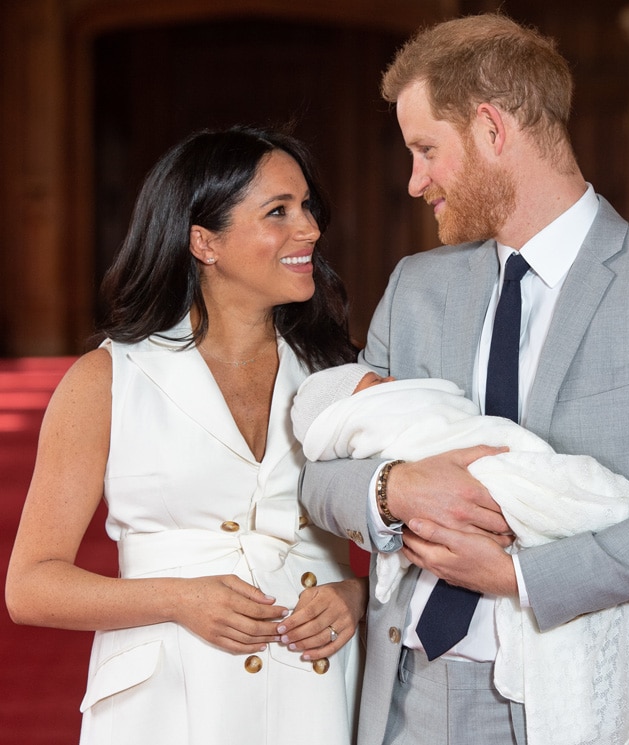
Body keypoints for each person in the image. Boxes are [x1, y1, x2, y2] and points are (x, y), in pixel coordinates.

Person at [298, 12, 629, 745]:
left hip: (603, 693)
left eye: (425, 149)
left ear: (490, 128)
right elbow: (322, 470)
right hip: (416, 688)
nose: (414, 182)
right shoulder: (415, 286)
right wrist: (392, 489)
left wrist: (522, 575)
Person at [5, 125, 366, 745]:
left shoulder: (339, 375)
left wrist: (358, 595)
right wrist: (179, 598)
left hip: (319, 694)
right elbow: (31, 587)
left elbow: (408, 529)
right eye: (278, 211)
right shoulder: (108, 380)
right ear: (205, 242)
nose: (308, 228)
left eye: (307, 207)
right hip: (164, 703)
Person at [292, 362, 629, 744]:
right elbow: (320, 479)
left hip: (544, 675)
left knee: (572, 496)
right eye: (376, 382)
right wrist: (396, 488)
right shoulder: (405, 306)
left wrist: (518, 576)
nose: (390, 381)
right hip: (408, 683)